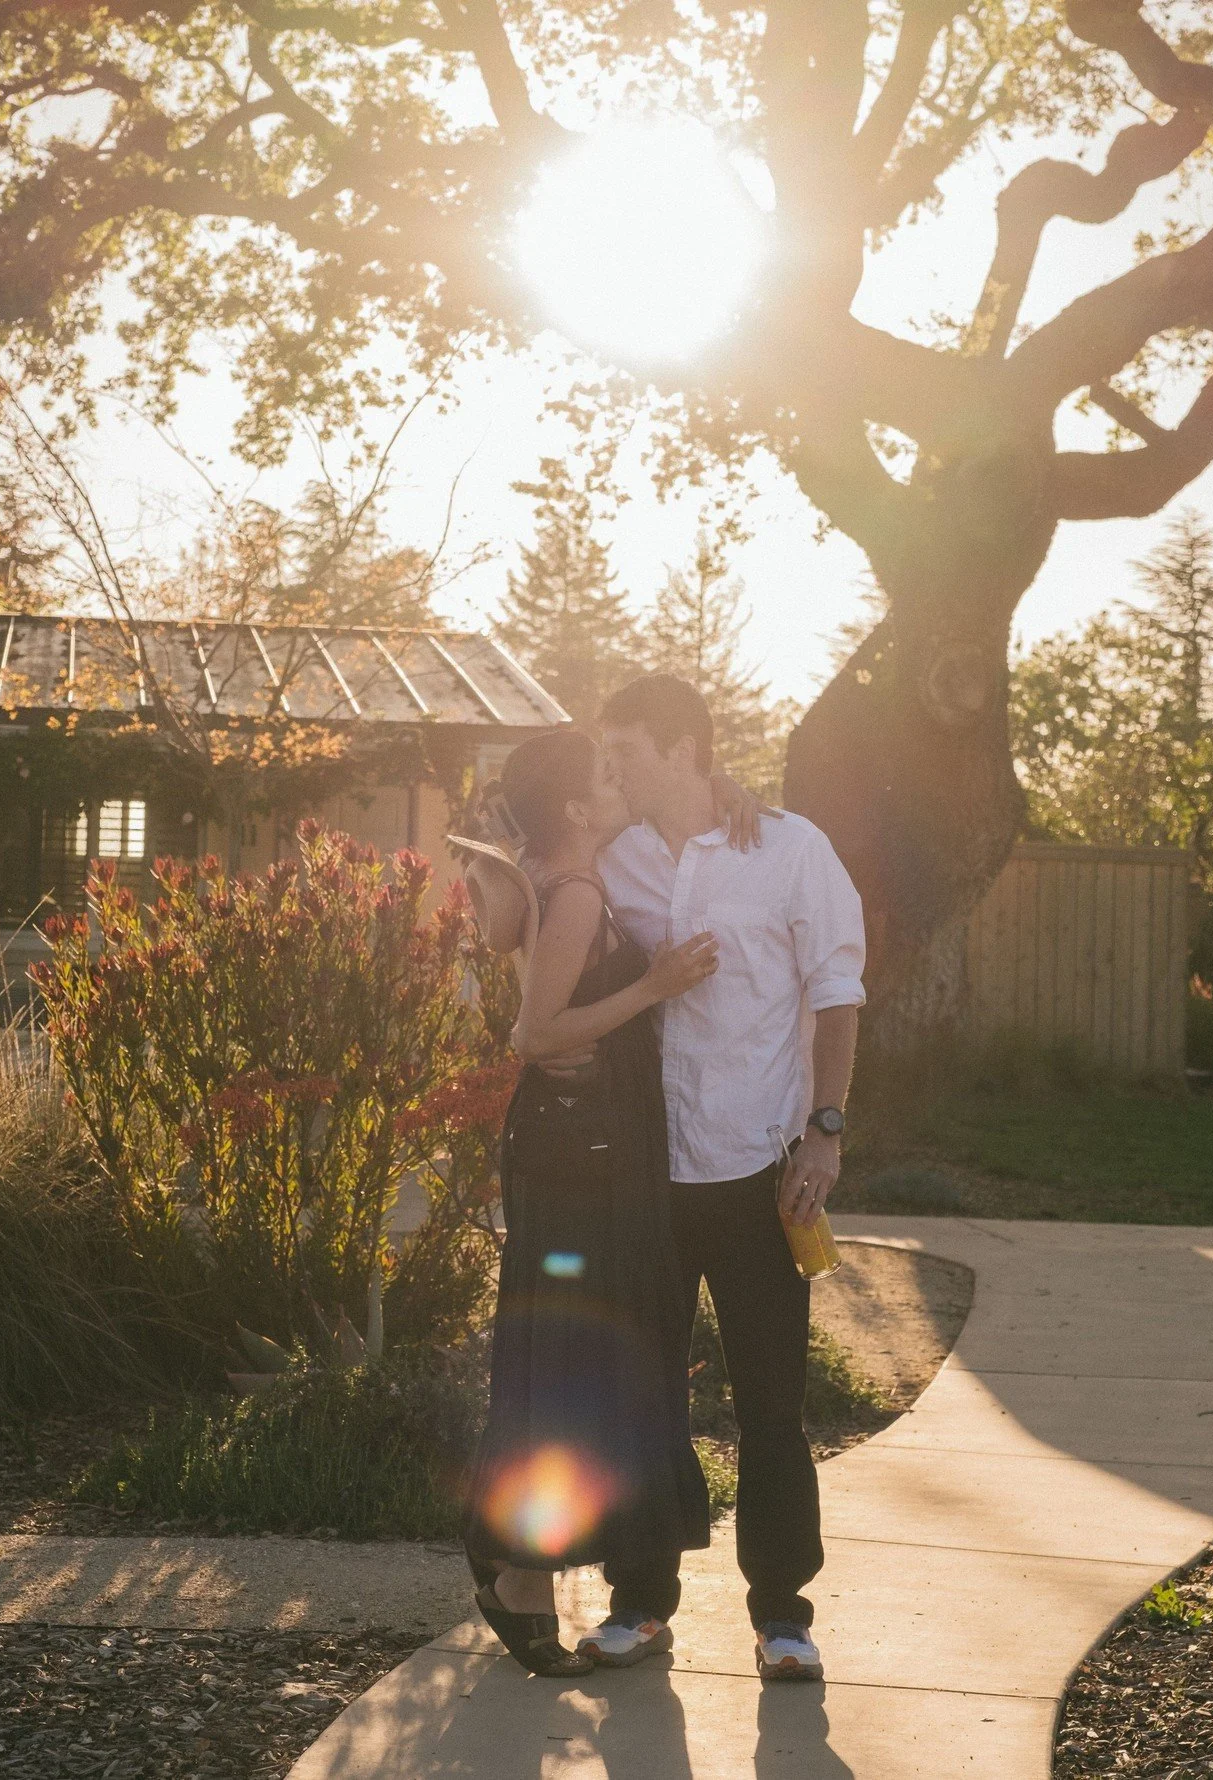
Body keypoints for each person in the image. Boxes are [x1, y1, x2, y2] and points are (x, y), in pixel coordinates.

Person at [570, 673, 866, 1687]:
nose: (614, 771)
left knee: (772, 1404)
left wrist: (825, 1137)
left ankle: (783, 1616)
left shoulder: (790, 850)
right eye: (606, 758)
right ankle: (639, 1604)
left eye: (629, 753)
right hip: (650, 1176)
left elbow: (836, 1000)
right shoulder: (618, 865)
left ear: (685, 749)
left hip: (759, 1172)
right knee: (641, 1393)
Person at [461, 727, 720, 1678]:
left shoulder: (555, 876)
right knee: (575, 1354)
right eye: (605, 779)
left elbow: (501, 940)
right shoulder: (572, 890)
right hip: (581, 1154)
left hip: (582, 1147)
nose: (618, 788)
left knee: (568, 1353)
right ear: (575, 808)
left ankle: (515, 1565)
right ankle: (520, 1577)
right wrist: (652, 985)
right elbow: (535, 1031)